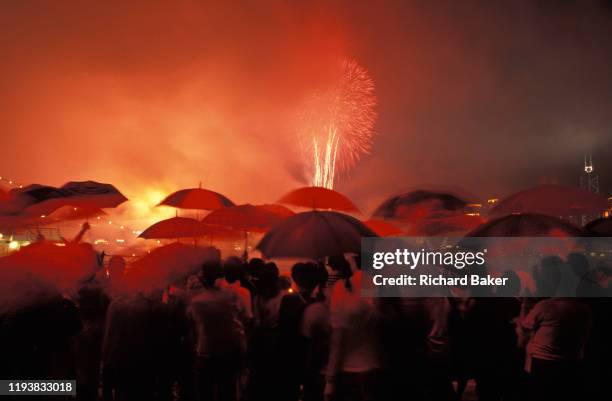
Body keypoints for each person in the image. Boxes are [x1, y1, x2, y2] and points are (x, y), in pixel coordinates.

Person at [518, 259, 592, 401]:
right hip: (571, 362)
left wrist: (525, 306)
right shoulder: (585, 309)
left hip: (543, 363)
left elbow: (525, 326)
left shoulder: (547, 306)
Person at [188, 260, 247, 401]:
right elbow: (244, 318)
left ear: (203, 278)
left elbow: (192, 325)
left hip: (205, 352)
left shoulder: (196, 301)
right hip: (230, 351)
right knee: (227, 391)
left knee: (205, 392)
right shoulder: (232, 296)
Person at [325, 266, 381, 401]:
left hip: (349, 369)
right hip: (377, 365)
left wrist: (330, 380)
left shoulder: (342, 288)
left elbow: (338, 339)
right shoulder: (381, 285)